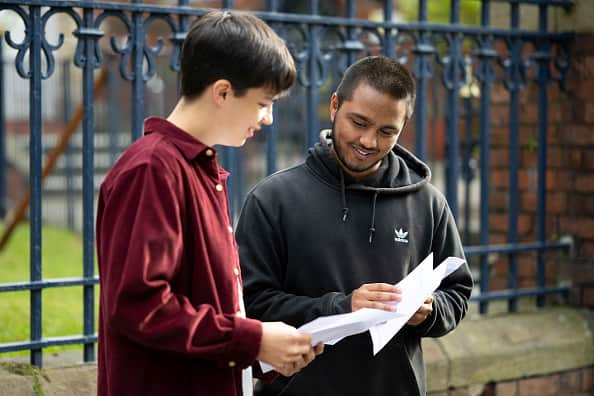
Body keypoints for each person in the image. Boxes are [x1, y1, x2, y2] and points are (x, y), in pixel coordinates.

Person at [95, 10, 323, 396]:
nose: (268, 118)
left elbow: (210, 303)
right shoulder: (152, 170)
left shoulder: (198, 170)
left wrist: (266, 353)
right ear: (222, 92)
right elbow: (141, 307)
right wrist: (252, 340)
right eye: (263, 102)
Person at [235, 55, 474, 396]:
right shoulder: (273, 199)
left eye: (386, 131)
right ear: (335, 106)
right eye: (358, 123)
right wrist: (342, 307)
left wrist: (430, 311)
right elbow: (250, 306)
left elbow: (458, 293)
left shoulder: (428, 203)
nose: (368, 141)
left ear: (402, 128)